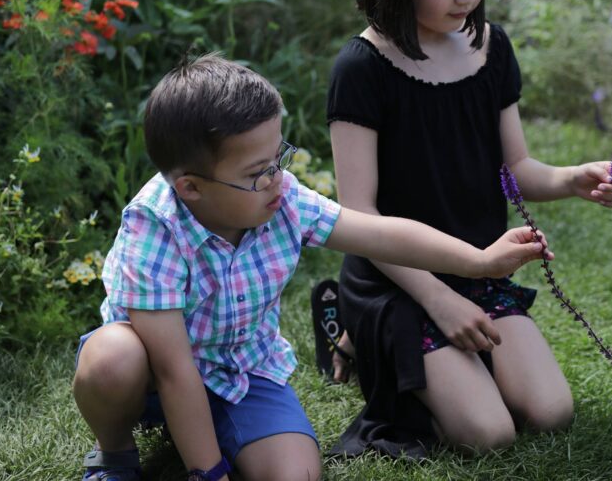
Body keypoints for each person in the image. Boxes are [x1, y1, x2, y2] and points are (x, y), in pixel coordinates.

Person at [73, 53, 551, 481]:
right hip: (154, 376)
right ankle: (115, 453)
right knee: (113, 358)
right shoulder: (153, 228)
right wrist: (210, 473)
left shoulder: (282, 197)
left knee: (297, 473)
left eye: (278, 156)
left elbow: (379, 233)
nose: (277, 178)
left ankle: (220, 429)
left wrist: (480, 260)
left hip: (242, 370)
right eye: (257, 172)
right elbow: (176, 370)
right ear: (191, 188)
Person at [326, 0, 612, 458]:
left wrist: (571, 179)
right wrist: (439, 301)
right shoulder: (361, 69)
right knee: (489, 435)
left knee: (549, 411)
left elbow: (516, 166)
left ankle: (438, 365)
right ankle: (363, 339)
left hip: (478, 269)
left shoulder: (491, 48)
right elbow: (358, 215)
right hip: (399, 280)